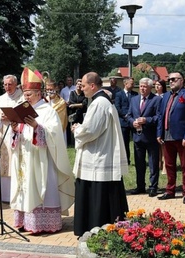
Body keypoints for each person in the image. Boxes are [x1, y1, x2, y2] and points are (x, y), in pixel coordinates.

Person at [9, 71, 74, 233]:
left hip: (41, 159)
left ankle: (43, 224)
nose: (26, 98)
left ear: (38, 94)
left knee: (40, 186)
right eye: (24, 95)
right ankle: (25, 221)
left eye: (29, 94)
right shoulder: (22, 109)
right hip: (25, 157)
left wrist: (37, 127)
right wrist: (15, 130)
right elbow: (18, 135)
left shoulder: (47, 110)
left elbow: (54, 135)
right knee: (24, 187)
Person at [72, 72, 129, 236]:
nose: (81, 89)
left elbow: (90, 130)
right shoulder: (101, 101)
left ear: (92, 85)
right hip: (101, 152)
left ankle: (96, 226)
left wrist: (77, 130)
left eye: (83, 86)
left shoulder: (99, 103)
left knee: (98, 193)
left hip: (98, 156)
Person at [156, 72, 185, 205]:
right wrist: (159, 133)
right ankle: (170, 190)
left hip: (181, 137)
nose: (171, 81)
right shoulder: (166, 96)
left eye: (174, 79)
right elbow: (161, 116)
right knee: (169, 165)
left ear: (181, 80)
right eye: (169, 79)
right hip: (167, 136)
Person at [0, 75, 23, 203]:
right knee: (3, 164)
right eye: (5, 84)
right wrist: (0, 118)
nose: (7, 87)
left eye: (10, 84)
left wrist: (14, 117)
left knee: (16, 162)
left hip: (17, 135)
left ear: (16, 84)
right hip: (3, 135)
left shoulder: (22, 97)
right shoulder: (0, 99)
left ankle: (18, 195)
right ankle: (5, 196)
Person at [126, 78, 161, 197]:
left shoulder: (156, 100)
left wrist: (147, 120)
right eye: (141, 86)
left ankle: (153, 186)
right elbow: (129, 115)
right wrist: (132, 122)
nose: (142, 88)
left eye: (145, 86)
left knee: (153, 163)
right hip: (137, 137)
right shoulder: (134, 99)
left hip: (151, 137)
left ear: (150, 87)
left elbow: (159, 117)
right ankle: (140, 186)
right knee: (139, 163)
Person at [115, 78, 138, 165]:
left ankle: (138, 160)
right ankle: (126, 160)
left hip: (133, 121)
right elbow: (117, 107)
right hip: (123, 122)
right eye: (131, 83)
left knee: (136, 142)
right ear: (125, 84)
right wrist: (125, 116)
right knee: (124, 142)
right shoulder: (119, 94)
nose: (133, 85)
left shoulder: (135, 94)